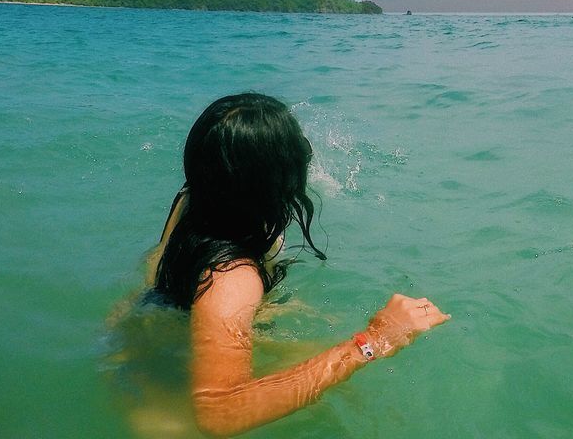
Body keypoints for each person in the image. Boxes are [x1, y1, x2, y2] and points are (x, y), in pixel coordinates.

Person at [143, 93, 449, 437]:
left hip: (147, 361)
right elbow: (219, 412)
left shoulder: (195, 200)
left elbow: (157, 273)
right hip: (166, 416)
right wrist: (374, 340)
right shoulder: (232, 278)